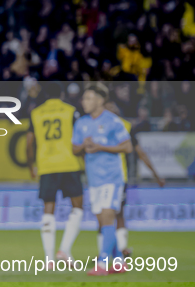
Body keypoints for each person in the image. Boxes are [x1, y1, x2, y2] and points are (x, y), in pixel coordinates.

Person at [73, 83, 133, 276]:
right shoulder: (81, 123)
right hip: (94, 178)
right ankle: (119, 261)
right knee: (103, 220)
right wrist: (85, 145)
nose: (84, 102)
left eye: (88, 98)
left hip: (112, 177)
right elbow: (74, 148)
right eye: (84, 98)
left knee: (108, 216)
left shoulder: (113, 121)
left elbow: (127, 147)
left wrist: (101, 147)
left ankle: (102, 262)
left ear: (100, 101)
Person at [26, 83, 84, 269]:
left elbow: (29, 142)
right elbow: (80, 137)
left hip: (46, 165)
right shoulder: (71, 111)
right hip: (68, 164)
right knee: (78, 208)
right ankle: (65, 250)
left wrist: (31, 165)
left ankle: (49, 259)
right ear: (62, 93)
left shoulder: (36, 113)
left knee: (48, 209)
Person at [98, 102, 165, 258]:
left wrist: (155, 174)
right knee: (104, 215)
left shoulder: (125, 127)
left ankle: (120, 250)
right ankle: (107, 251)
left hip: (118, 177)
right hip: (99, 178)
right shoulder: (97, 125)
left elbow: (140, 152)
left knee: (117, 213)